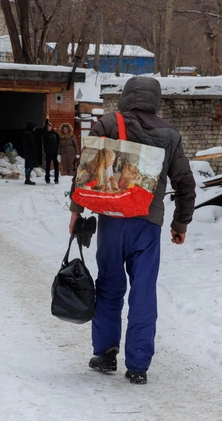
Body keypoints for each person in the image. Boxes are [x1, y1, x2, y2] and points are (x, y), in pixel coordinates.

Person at [68, 76, 196, 384]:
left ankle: (106, 353)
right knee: (143, 293)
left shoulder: (109, 123)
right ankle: (138, 365)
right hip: (147, 225)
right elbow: (186, 184)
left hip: (113, 220)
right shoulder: (170, 134)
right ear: (156, 99)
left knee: (110, 286)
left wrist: (76, 210)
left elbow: (86, 168)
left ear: (125, 97)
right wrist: (180, 223)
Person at [42, 119, 60, 184]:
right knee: (47, 167)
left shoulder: (55, 134)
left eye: (49, 126)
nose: (48, 128)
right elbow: (43, 131)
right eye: (47, 127)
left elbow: (59, 142)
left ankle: (56, 179)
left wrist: (58, 151)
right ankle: (47, 179)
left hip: (55, 153)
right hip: (48, 153)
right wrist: (46, 123)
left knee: (56, 167)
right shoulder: (45, 134)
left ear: (51, 127)